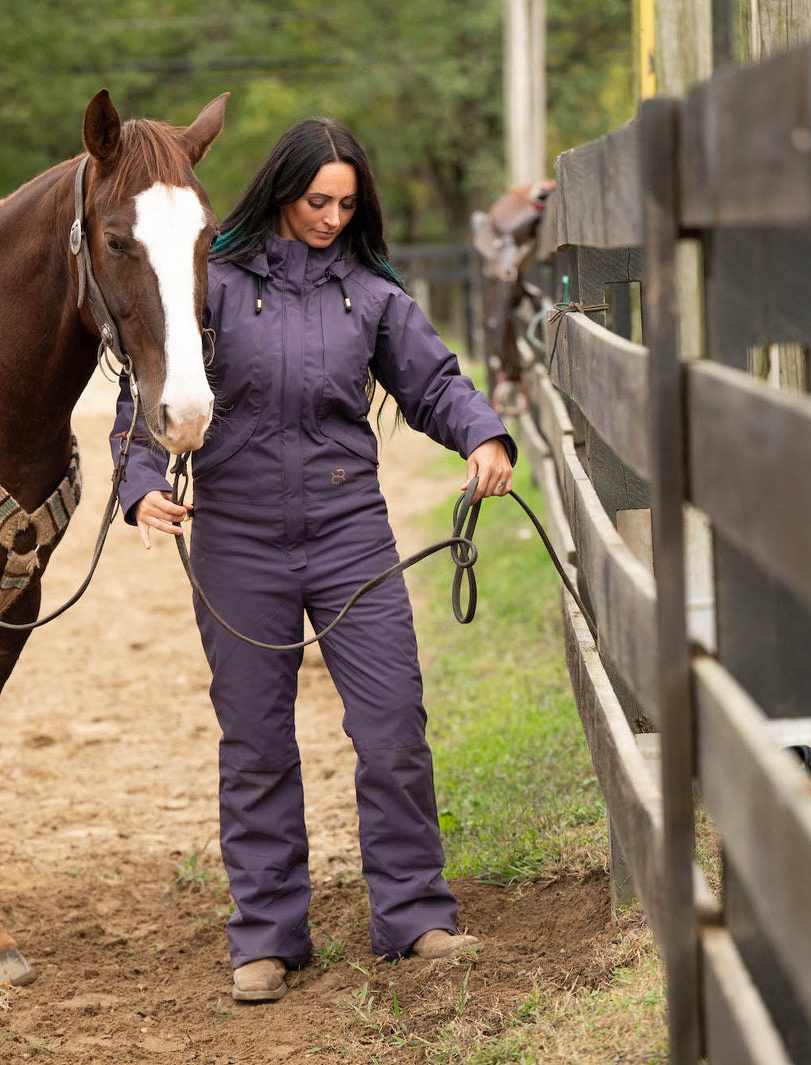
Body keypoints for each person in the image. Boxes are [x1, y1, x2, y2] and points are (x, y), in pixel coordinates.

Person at [111, 117, 516, 1004]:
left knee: (393, 726)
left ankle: (415, 914)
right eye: (315, 200)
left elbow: (434, 383)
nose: (331, 216)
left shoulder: (370, 293)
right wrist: (142, 482)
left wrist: (483, 435)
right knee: (256, 743)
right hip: (239, 537)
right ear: (281, 191)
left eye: (345, 202)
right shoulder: (211, 282)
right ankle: (266, 934)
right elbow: (152, 388)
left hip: (348, 535)